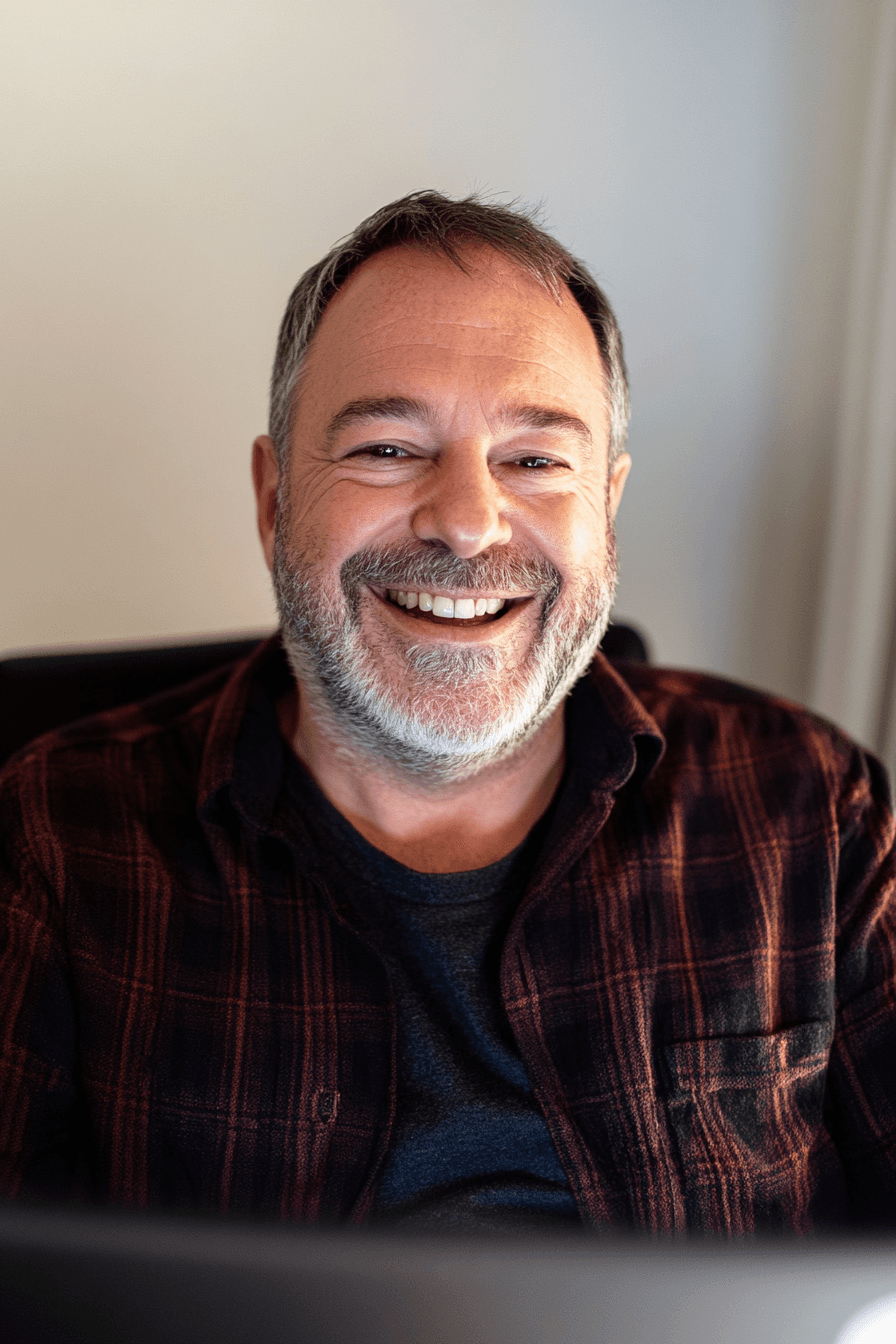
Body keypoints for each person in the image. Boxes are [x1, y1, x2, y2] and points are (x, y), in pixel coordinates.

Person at [2, 191, 895, 1235]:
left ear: (602, 510)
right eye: (386, 448)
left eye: (533, 460)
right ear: (273, 500)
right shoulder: (54, 838)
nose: (467, 521)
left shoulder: (807, 805)